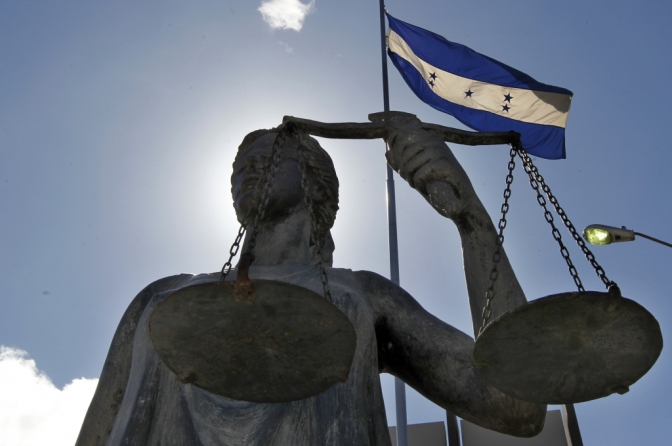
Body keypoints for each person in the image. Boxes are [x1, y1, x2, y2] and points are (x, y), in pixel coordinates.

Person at [76, 115, 545, 445]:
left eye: (272, 156)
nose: (247, 168)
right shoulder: (159, 297)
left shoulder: (362, 295)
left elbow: (514, 405)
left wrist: (472, 221)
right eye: (240, 165)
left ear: (318, 183)